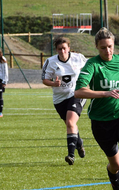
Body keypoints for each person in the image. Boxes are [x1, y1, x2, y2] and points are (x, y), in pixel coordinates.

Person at [74, 27, 119, 190]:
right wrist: (105, 93)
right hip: (101, 121)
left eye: (110, 46)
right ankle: (116, 185)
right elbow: (78, 92)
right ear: (97, 47)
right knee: (116, 165)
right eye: (103, 47)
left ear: (114, 44)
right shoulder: (92, 65)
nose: (108, 50)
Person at [41, 37, 87, 165]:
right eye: (59, 49)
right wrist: (53, 84)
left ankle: (71, 155)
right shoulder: (50, 62)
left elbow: (90, 70)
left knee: (71, 122)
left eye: (64, 48)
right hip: (59, 99)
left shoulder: (78, 58)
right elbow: (45, 80)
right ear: (56, 50)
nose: (62, 51)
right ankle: (79, 143)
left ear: (69, 48)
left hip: (76, 94)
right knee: (70, 124)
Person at [0, 49, 8, 117]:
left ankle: (0, 112)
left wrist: (4, 81)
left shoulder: (3, 60)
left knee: (0, 97)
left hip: (0, 81)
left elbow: (5, 71)